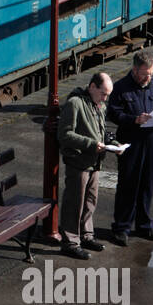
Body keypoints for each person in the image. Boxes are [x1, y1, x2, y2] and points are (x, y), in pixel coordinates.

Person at [105, 51, 153, 246]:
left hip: (152, 141)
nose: (148, 77)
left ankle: (144, 226)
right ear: (134, 70)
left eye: (150, 73)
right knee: (128, 184)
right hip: (130, 141)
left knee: (147, 183)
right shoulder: (121, 88)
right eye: (144, 74)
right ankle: (121, 227)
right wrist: (134, 119)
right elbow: (114, 114)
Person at [57, 71, 113, 259]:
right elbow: (65, 135)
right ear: (92, 87)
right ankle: (71, 242)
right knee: (75, 202)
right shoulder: (75, 104)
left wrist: (113, 144)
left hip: (94, 162)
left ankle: (86, 235)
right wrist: (91, 144)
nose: (105, 98)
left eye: (107, 95)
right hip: (79, 162)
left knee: (90, 201)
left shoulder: (99, 105)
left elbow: (99, 131)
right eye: (103, 93)